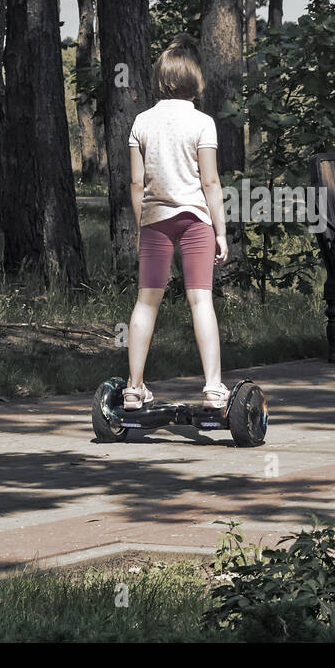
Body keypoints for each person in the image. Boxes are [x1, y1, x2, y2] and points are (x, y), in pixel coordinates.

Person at [123, 34, 229, 411]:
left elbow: (137, 184)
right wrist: (220, 231)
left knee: (146, 302)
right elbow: (210, 181)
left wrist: (144, 225)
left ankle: (134, 388)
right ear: (195, 79)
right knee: (201, 300)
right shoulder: (203, 123)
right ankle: (213, 387)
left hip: (155, 221)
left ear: (162, 78)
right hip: (195, 220)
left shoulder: (141, 122)